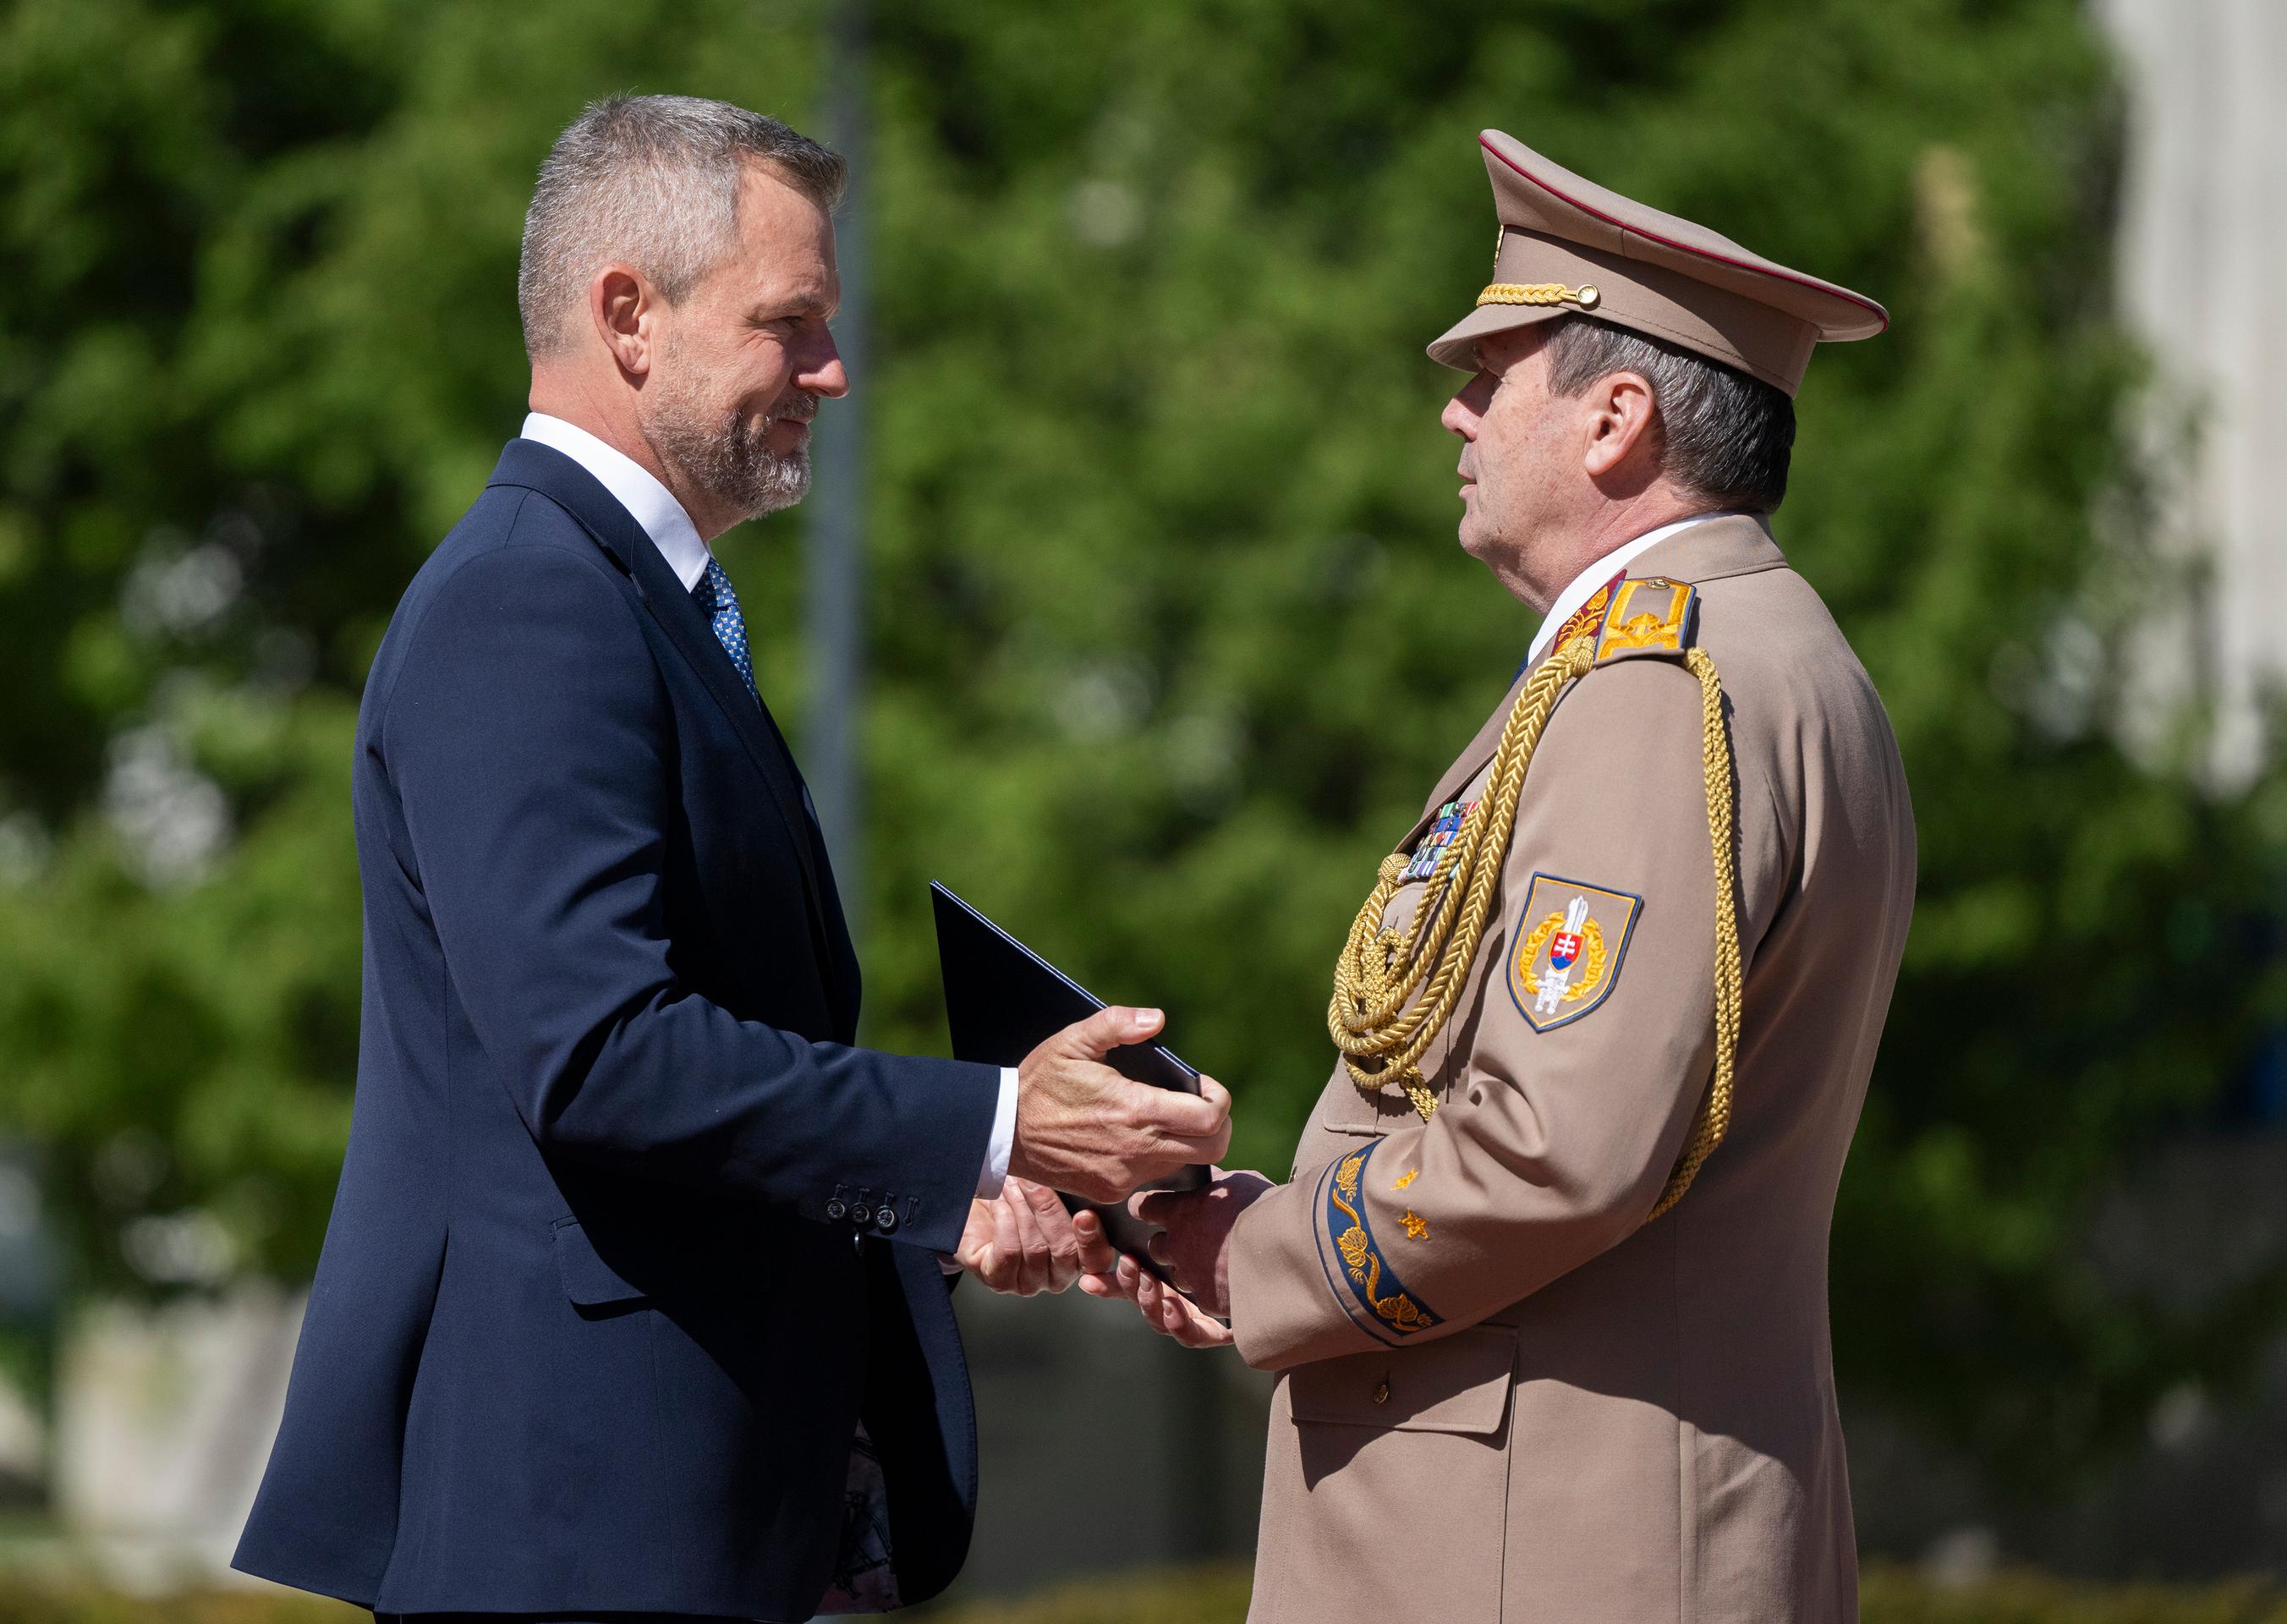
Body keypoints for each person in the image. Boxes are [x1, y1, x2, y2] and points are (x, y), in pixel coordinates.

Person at [231, 95, 1226, 1622]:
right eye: (791, 323)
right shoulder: (532, 602)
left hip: (682, 1523)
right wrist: (1003, 1122)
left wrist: (935, 1202)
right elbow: (604, 1057)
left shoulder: (629, 605)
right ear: (627, 314)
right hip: (586, 1531)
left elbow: (659, 1129)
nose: (834, 370)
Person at [1086, 129, 1916, 1623]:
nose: (1456, 419)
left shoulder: (1658, 685)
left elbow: (1556, 1149)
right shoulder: (1765, 657)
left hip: (1543, 1546)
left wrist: (1255, 1252)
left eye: (1490, 376)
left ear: (1615, 420)